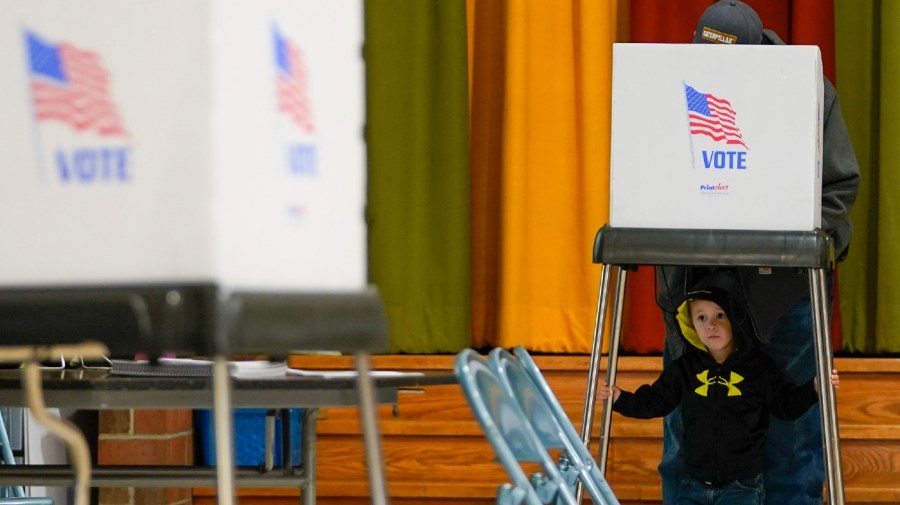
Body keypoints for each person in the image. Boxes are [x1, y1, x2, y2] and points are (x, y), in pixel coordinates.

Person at [656, 2, 860, 504]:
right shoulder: (668, 87)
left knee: (789, 442)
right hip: (697, 290)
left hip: (780, 290)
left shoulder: (806, 88)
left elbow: (837, 189)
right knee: (692, 429)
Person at [603, 270, 841, 505]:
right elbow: (656, 400)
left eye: (720, 316)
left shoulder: (758, 369)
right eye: (702, 318)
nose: (711, 327)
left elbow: (785, 405)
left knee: (790, 454)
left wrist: (814, 389)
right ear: (691, 323)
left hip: (742, 487)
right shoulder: (685, 368)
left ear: (735, 319)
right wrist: (620, 399)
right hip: (694, 484)